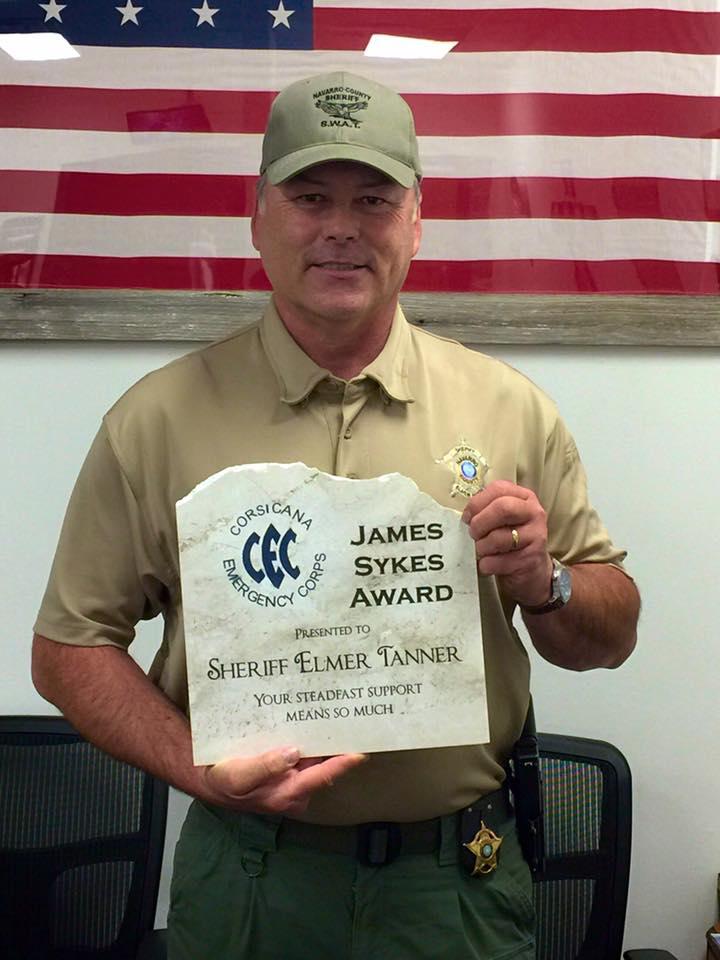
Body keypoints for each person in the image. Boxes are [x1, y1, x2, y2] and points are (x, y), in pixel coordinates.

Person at [32, 71, 640, 959]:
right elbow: (68, 648)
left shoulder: (509, 409)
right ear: (259, 219)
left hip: (455, 883)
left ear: (417, 222)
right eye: (310, 196)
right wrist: (194, 765)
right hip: (250, 880)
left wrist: (546, 581)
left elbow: (612, 631)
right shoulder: (155, 420)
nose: (343, 227)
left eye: (375, 199)